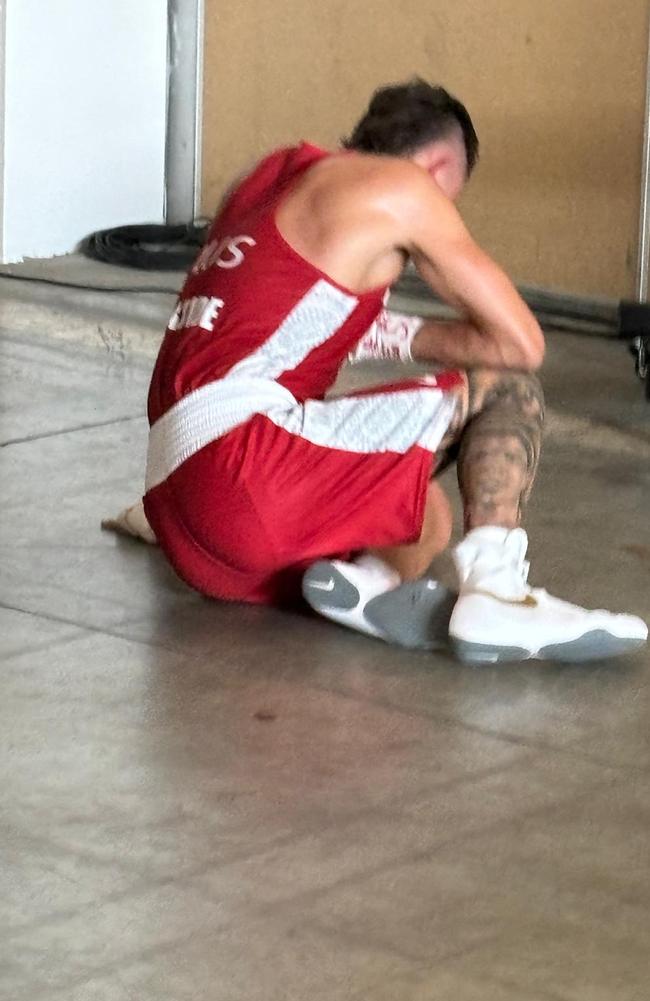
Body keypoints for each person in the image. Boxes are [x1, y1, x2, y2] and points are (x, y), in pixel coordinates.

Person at [136, 79, 646, 663]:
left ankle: (366, 585)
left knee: (426, 514)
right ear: (439, 165)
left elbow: (270, 321)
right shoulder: (403, 189)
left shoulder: (265, 177)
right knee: (506, 389)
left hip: (183, 516)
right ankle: (498, 595)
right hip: (244, 475)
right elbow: (521, 344)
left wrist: (399, 332)